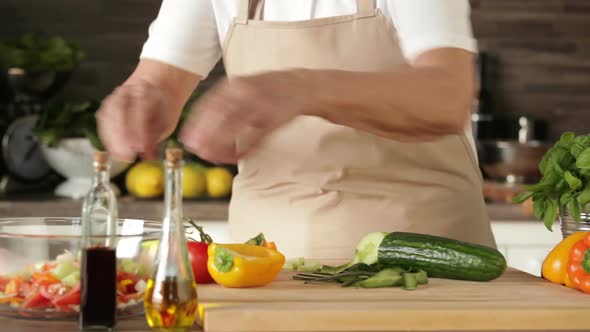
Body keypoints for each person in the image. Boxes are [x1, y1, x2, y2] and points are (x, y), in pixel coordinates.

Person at [97, 0, 496, 260]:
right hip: (266, 270)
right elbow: (156, 82)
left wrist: (304, 88)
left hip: (428, 263)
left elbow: (447, 96)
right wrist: (139, 100)